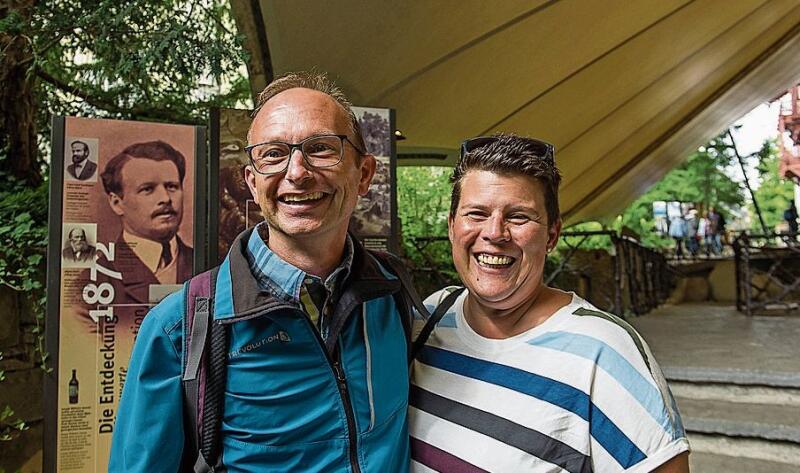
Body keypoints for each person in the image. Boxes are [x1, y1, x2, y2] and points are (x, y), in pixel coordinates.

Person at [110, 72, 412, 472]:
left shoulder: (392, 293)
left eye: (321, 148)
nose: (298, 171)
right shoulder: (181, 328)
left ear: (365, 174)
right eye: (273, 154)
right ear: (252, 183)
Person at [410, 134, 690, 472]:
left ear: (552, 236)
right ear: (453, 227)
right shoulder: (430, 317)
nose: (495, 233)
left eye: (519, 217)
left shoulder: (604, 352)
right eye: (477, 213)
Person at [99, 141, 193, 304]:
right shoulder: (96, 279)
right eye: (147, 189)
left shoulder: (205, 265)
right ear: (117, 203)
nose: (165, 199)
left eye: (172, 186)